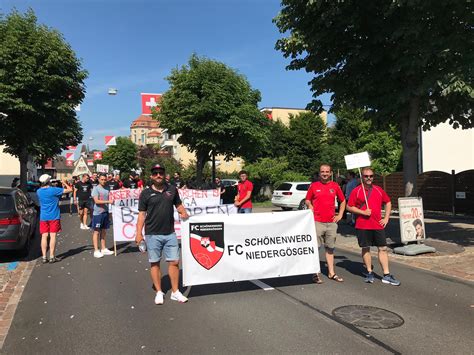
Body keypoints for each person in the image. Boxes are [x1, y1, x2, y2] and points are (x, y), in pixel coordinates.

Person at [136, 164, 190, 304]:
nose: (158, 175)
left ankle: (175, 292)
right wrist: (138, 234)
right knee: (155, 263)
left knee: (174, 262)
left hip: (170, 233)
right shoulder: (145, 193)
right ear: (151, 176)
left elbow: (178, 205)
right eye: (155, 173)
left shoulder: (172, 189)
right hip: (152, 234)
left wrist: (183, 212)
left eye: (160, 173)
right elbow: (142, 215)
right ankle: (159, 292)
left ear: (165, 174)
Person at [346, 167, 400, 286]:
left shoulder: (379, 190)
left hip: (377, 224)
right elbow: (349, 207)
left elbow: (388, 202)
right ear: (362, 177)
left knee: (383, 248)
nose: (369, 178)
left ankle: (386, 275)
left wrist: (386, 218)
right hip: (363, 225)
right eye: (366, 176)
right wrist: (363, 212)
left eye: (371, 176)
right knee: (366, 248)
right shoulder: (357, 191)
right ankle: (369, 272)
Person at [305, 164, 346, 284]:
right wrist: (310, 205)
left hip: (331, 223)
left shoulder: (335, 186)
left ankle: (331, 273)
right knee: (315, 248)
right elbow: (307, 199)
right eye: (322, 171)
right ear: (319, 173)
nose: (325, 173)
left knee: (330, 248)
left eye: (327, 172)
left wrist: (340, 215)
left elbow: (343, 200)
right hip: (317, 222)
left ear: (331, 173)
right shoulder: (314, 186)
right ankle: (315, 273)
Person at [37, 174, 73, 263]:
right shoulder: (54, 190)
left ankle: (44, 257)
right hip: (54, 216)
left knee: (44, 236)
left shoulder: (38, 191)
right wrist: (64, 183)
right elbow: (70, 190)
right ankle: (52, 256)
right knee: (53, 236)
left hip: (43, 216)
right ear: (49, 181)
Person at [91, 174, 114, 258]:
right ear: (99, 180)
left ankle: (103, 248)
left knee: (104, 231)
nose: (103, 181)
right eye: (102, 179)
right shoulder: (96, 189)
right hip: (98, 213)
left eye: (105, 179)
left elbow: (113, 196)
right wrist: (108, 201)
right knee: (96, 231)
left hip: (105, 212)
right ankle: (96, 250)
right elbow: (96, 201)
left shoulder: (107, 188)